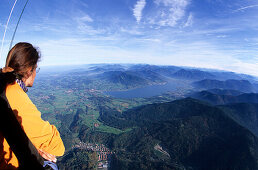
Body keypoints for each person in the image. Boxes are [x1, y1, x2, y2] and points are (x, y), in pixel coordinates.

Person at [0, 42, 65, 169]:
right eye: (36, 69)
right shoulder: (13, 93)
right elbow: (58, 147)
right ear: (30, 70)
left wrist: (35, 146)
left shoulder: (3, 86)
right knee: (50, 163)